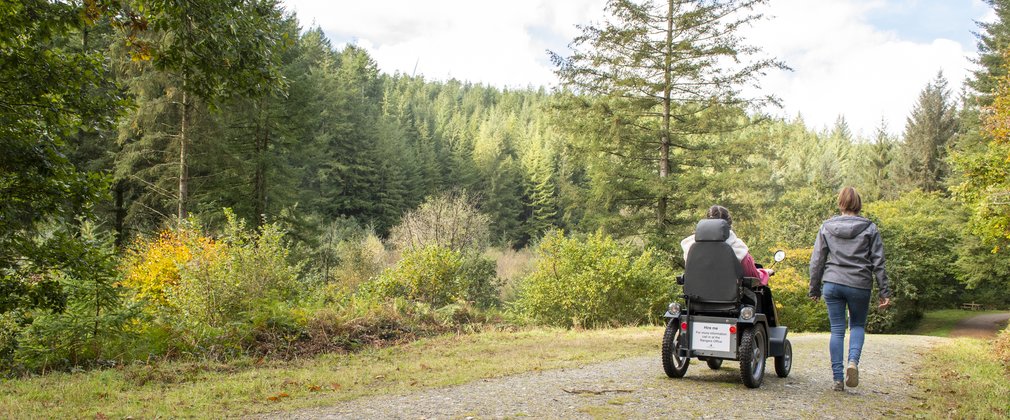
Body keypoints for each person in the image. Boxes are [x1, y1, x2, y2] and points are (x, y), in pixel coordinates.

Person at [808, 186, 892, 392]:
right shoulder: (870, 228)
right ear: (858, 204)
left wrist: (814, 288)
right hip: (859, 283)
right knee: (857, 326)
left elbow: (817, 260)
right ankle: (852, 362)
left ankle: (837, 378)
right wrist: (884, 291)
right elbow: (878, 261)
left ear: (840, 203)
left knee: (837, 331)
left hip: (833, 283)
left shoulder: (826, 227)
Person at [681, 205, 771, 285]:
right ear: (729, 224)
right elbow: (753, 276)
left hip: (697, 299)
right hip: (731, 300)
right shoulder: (738, 247)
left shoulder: (690, 247)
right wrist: (766, 272)